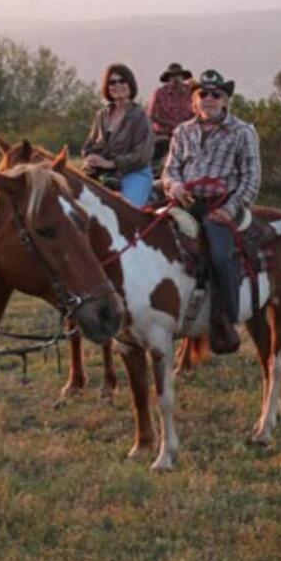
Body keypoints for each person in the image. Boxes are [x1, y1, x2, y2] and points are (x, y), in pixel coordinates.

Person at [162, 69, 260, 354]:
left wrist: (230, 210)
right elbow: (170, 170)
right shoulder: (182, 131)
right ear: (194, 101)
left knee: (219, 254)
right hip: (187, 202)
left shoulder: (243, 132)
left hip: (223, 203)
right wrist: (174, 186)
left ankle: (226, 319)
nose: (208, 99)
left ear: (226, 100)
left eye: (216, 94)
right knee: (154, 240)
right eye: (202, 94)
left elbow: (251, 178)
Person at [82, 63, 154, 207]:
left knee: (126, 210)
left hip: (134, 173)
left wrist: (111, 163)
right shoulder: (101, 115)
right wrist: (90, 158)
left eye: (122, 81)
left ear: (130, 84)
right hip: (103, 174)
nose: (117, 85)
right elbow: (89, 145)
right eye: (112, 82)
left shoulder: (140, 116)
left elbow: (142, 155)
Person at [146, 62, 195, 171]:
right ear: (168, 79)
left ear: (183, 77)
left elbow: (197, 113)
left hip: (188, 133)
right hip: (163, 134)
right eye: (172, 76)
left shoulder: (191, 93)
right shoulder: (159, 93)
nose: (175, 79)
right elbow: (151, 115)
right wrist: (172, 125)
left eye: (178, 76)